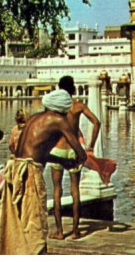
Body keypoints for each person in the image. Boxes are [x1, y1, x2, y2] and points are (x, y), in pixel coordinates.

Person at [0, 89, 87, 255]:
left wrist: (60, 160)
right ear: (63, 108)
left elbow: (37, 152)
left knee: (19, 222)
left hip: (16, 167)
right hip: (29, 173)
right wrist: (82, 159)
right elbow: (80, 152)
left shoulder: (35, 118)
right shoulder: (58, 120)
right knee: (35, 222)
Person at [48, 76, 101, 240]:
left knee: (57, 190)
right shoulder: (78, 106)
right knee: (75, 190)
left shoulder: (55, 108)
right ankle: (76, 231)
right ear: (72, 89)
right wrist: (91, 145)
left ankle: (60, 232)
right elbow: (96, 122)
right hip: (74, 150)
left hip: (57, 149)